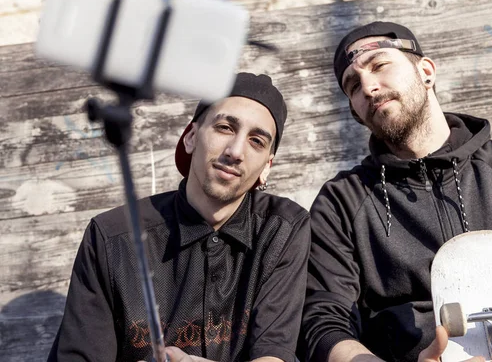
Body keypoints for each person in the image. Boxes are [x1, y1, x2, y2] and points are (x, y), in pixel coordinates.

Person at [301, 21, 492, 362]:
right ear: (355, 109)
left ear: (426, 71)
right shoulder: (343, 202)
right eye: (352, 85)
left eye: (380, 65)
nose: (368, 86)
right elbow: (323, 322)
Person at [48, 73, 310, 362]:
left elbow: (274, 353)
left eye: (257, 141)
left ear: (267, 167)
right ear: (191, 137)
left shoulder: (283, 229)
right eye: (224, 127)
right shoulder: (112, 238)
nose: (236, 151)